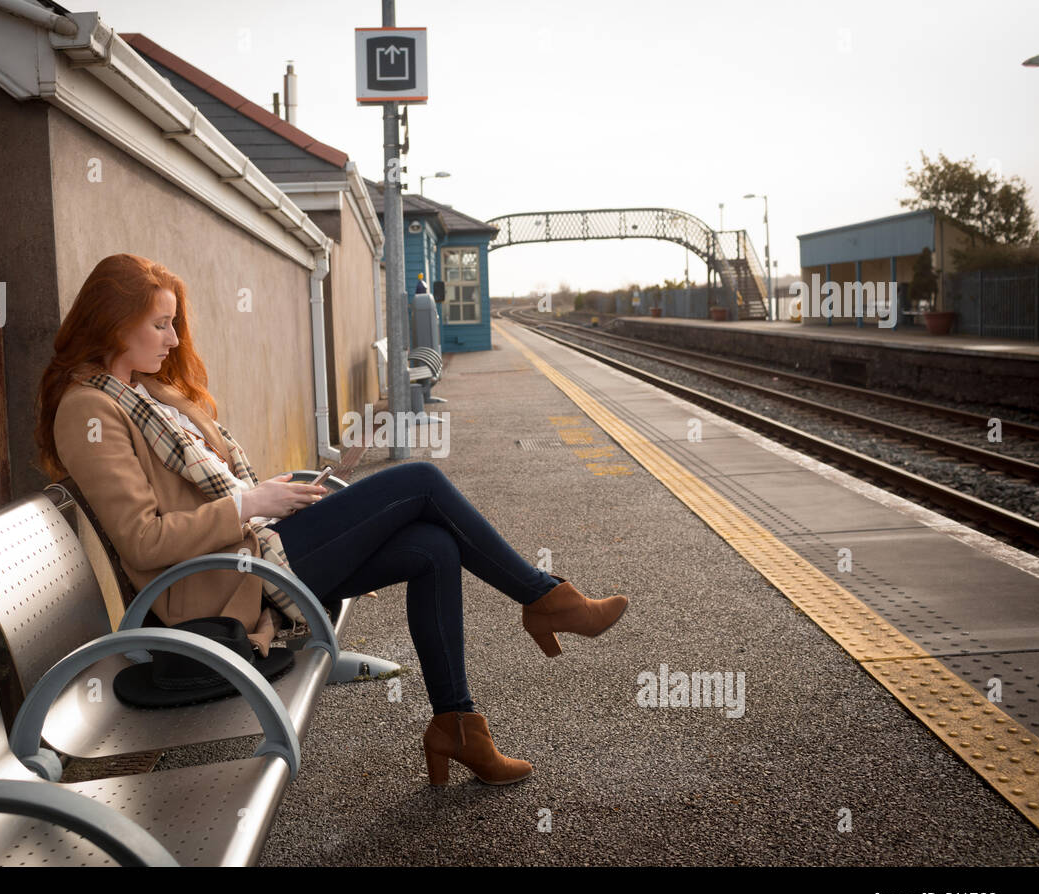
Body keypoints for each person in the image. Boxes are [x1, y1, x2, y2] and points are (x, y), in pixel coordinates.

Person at [35, 253, 629, 787]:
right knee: (421, 481)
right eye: (160, 324)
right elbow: (141, 541)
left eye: (172, 323)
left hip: (252, 556)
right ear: (115, 322)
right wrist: (253, 503)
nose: (172, 338)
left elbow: (216, 486)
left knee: (433, 548)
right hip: (220, 587)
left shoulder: (144, 393)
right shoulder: (88, 409)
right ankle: (544, 598)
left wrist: (276, 494)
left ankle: (458, 725)